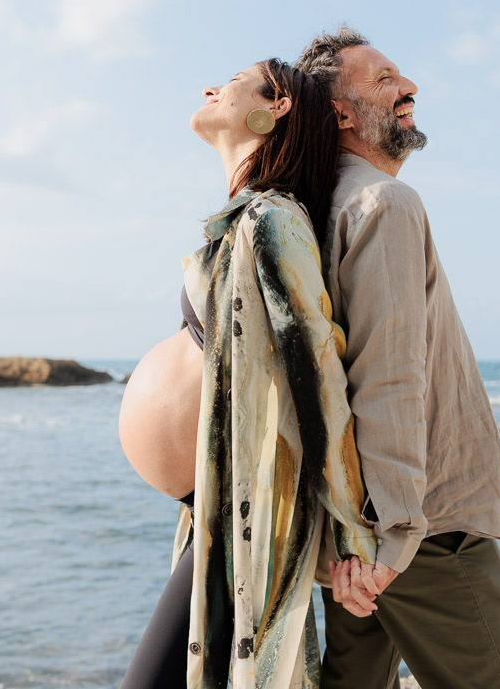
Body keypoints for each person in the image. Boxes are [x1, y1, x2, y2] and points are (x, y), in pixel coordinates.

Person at [117, 57, 377, 688]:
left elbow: (318, 384)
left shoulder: (274, 220)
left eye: (232, 78)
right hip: (217, 506)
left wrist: (354, 535)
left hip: (248, 512)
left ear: (276, 105)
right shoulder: (251, 218)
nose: (211, 86)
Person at [296, 27, 500, 689]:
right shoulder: (383, 204)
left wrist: (356, 538)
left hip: (361, 525)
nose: (408, 88)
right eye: (384, 79)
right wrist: (396, 538)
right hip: (424, 533)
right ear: (340, 112)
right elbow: (389, 377)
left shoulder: (315, 211)